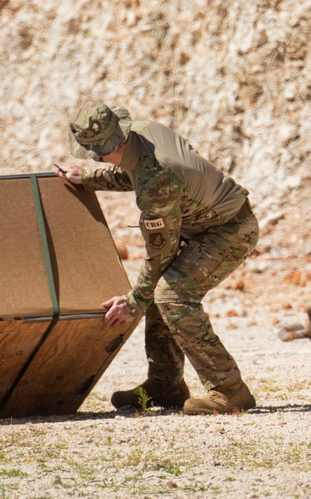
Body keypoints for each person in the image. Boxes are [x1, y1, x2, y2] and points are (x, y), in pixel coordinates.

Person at [58, 101, 260, 415]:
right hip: (206, 223)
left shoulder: (157, 182)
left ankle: (229, 391)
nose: (92, 159)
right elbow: (135, 174)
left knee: (171, 293)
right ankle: (165, 384)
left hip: (230, 229)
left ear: (103, 149)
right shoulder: (143, 133)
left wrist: (133, 301)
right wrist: (89, 178)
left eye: (92, 154)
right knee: (157, 288)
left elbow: (160, 252)